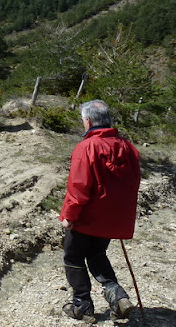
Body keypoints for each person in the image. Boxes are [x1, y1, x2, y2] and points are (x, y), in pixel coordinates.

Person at [59, 100, 141, 322]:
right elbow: (132, 183)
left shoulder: (87, 147)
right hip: (113, 218)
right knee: (96, 253)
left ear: (88, 121)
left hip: (87, 217)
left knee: (73, 255)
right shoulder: (128, 147)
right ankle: (117, 296)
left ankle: (82, 306)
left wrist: (69, 216)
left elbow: (78, 187)